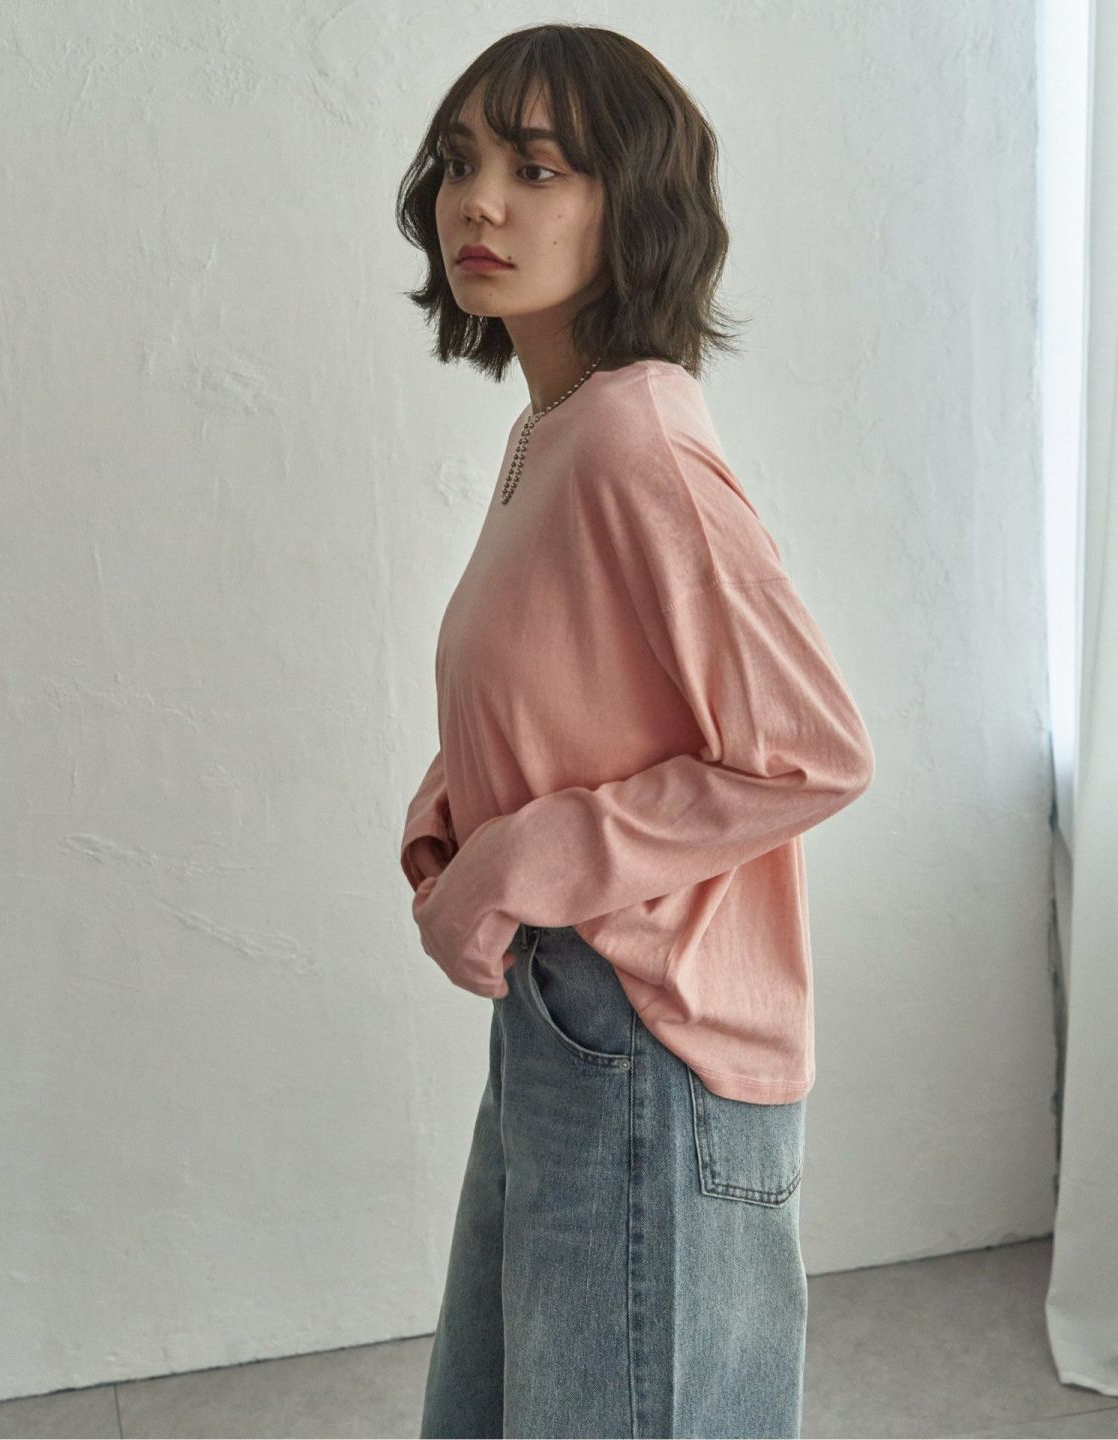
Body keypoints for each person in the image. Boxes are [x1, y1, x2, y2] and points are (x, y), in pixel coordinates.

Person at [394, 24, 875, 1440]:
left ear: (632, 206)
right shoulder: (550, 433)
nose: (481, 202)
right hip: (572, 1011)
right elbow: (569, 688)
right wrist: (455, 812)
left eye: (537, 169)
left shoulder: (634, 440)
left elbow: (811, 748)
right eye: (461, 162)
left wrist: (521, 856)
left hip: (651, 1039)